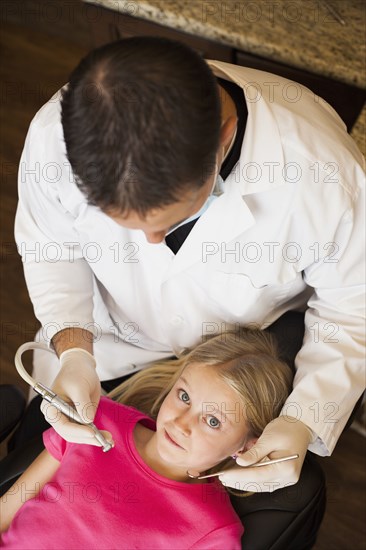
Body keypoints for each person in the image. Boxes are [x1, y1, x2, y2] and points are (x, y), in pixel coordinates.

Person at [13, 35, 364, 534]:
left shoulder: (327, 181)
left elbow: (352, 311)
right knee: (31, 442)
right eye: (126, 225)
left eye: (170, 221)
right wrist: (72, 347)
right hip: (104, 341)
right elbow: (52, 247)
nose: (152, 243)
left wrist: (303, 419)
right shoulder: (56, 137)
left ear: (222, 140)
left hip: (235, 358)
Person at [1, 329, 292, 548]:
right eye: (184, 396)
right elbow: (6, 512)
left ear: (248, 446)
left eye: (213, 421)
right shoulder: (94, 421)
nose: (181, 423)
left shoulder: (214, 532)